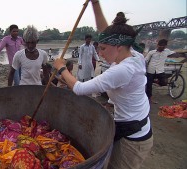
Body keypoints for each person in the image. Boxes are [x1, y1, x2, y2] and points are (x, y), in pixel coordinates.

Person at [53, 1, 153, 169]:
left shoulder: (123, 70)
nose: (100, 53)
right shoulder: (134, 54)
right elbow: (104, 30)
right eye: (99, 48)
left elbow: (79, 88)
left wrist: (61, 68)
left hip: (134, 138)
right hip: (130, 123)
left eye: (104, 49)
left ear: (119, 47)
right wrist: (95, 3)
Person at [145, 39, 175, 104]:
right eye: (160, 46)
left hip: (160, 71)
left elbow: (175, 53)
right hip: (151, 70)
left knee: (164, 82)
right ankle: (149, 98)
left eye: (163, 46)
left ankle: (156, 81)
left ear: (165, 46)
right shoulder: (151, 52)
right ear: (157, 45)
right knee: (149, 86)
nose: (161, 47)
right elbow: (146, 60)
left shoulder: (167, 51)